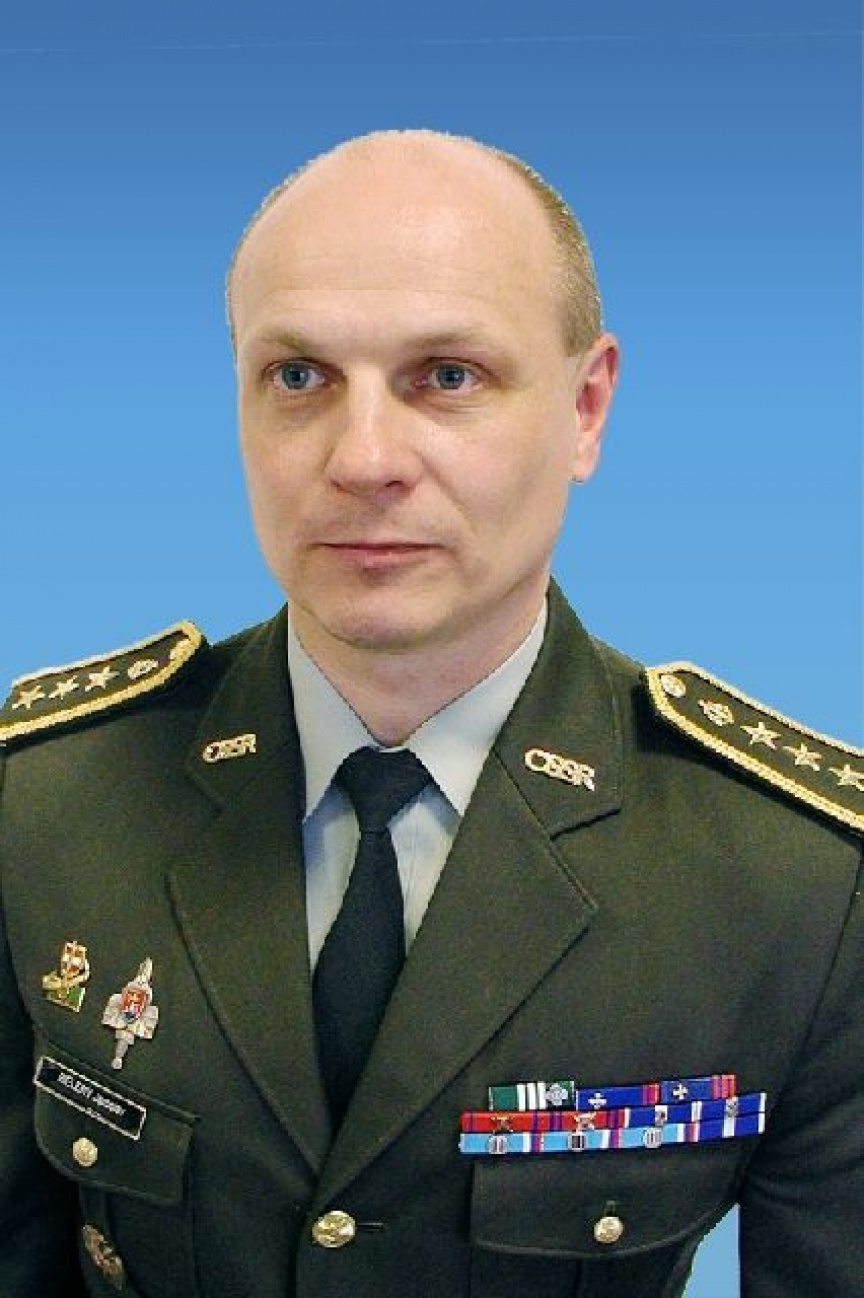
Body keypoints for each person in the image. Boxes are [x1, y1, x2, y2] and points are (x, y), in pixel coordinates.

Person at [0, 129, 861, 1298]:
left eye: (448, 375)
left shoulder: (802, 885)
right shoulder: (46, 804)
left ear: (587, 406)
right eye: (298, 376)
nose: (363, 458)